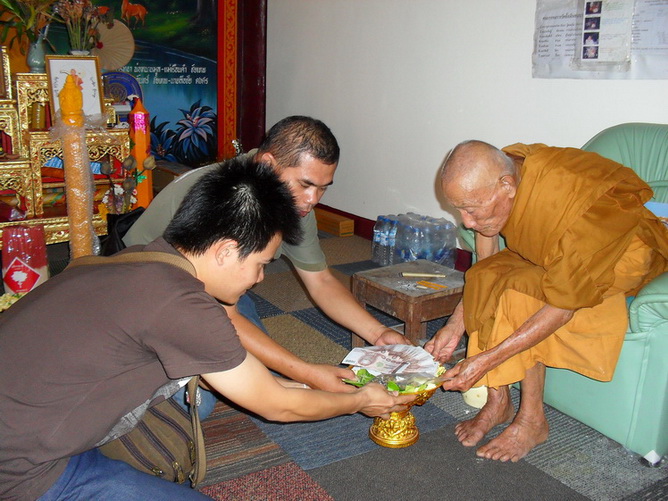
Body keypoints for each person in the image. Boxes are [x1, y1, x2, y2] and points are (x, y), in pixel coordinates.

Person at [0, 157, 415, 500]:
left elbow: (247, 381)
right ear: (226, 251)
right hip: (22, 472)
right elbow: (277, 406)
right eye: (261, 265)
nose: (260, 280)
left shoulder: (141, 261)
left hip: (32, 429)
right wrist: (360, 400)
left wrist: (311, 381)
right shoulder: (181, 305)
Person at [124, 116, 411, 402]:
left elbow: (320, 281)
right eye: (305, 184)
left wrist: (378, 332)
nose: (313, 199)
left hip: (218, 291)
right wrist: (307, 374)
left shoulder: (292, 200)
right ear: (267, 164)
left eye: (323, 187)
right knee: (205, 400)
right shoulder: (227, 198)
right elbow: (223, 314)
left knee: (259, 371)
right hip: (145, 289)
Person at [425, 140, 668, 462]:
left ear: (507, 186)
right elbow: (486, 266)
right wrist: (455, 325)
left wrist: (485, 361)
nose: (466, 222)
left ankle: (532, 420)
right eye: (460, 210)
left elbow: (562, 306)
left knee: (520, 296)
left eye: (471, 209)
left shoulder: (586, 213)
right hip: (555, 253)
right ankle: (498, 403)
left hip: (619, 255)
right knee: (487, 278)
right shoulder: (511, 167)